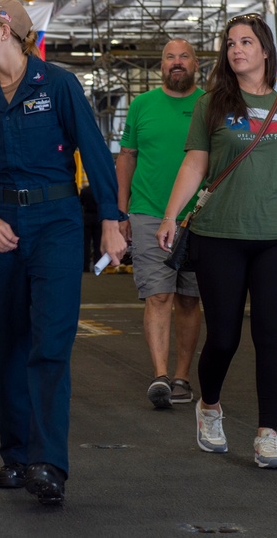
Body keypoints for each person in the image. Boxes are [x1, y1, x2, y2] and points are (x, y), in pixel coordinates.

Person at [0, 0, 127, 505]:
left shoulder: (59, 85)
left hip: (56, 226)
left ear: (6, 29)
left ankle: (48, 462)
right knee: (8, 344)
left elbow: (95, 154)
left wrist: (111, 223)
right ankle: (17, 456)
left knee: (49, 343)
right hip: (2, 228)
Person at [156, 14, 277, 470]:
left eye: (246, 42)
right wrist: (171, 214)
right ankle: (209, 407)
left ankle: (268, 434)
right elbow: (194, 164)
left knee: (270, 336)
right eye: (230, 44)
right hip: (220, 236)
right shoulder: (212, 104)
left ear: (266, 51)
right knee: (224, 337)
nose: (236, 50)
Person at [116, 39, 204, 409]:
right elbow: (126, 158)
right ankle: (160, 376)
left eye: (184, 56)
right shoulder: (142, 105)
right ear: (161, 66)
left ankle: (182, 376)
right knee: (159, 295)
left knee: (189, 298)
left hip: (198, 216)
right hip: (149, 212)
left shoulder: (209, 104)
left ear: (196, 64)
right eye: (170, 57)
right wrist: (122, 212)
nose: (177, 63)